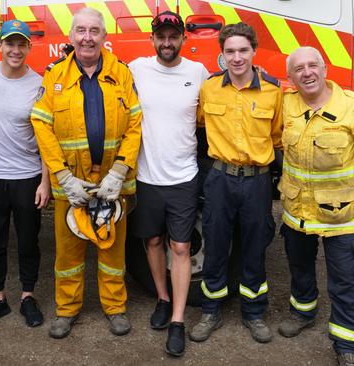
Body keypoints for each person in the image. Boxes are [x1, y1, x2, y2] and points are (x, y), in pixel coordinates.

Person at [277, 47, 354, 366]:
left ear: (325, 69)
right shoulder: (286, 103)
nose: (307, 72)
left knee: (342, 279)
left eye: (312, 65)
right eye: (299, 68)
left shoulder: (352, 107)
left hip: (340, 215)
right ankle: (302, 312)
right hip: (297, 212)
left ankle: (347, 342)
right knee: (299, 266)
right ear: (290, 77)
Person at [30, 7, 142, 339]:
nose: (87, 37)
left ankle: (115, 307)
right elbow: (41, 125)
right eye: (81, 30)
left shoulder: (122, 74)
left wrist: (119, 171)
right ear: (70, 36)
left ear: (105, 37)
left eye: (94, 31)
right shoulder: (55, 77)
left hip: (111, 183)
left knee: (112, 250)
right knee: (68, 253)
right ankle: (66, 310)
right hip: (71, 184)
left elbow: (135, 125)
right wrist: (61, 176)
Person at [188, 22, 283, 344]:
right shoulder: (210, 88)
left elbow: (278, 136)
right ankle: (210, 312)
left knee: (255, 248)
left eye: (243, 50)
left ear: (254, 52)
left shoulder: (272, 90)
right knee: (215, 245)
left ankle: (254, 313)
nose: (237, 57)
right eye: (230, 51)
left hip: (256, 182)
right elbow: (200, 125)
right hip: (220, 179)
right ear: (222, 55)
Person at [128, 10, 209, 357]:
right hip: (147, 177)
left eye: (172, 37)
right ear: (152, 40)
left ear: (183, 40)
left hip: (183, 177)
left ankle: (177, 320)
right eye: (160, 36)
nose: (166, 42)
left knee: (180, 247)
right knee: (153, 241)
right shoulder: (136, 69)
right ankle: (162, 298)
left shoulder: (198, 73)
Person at [0, 20, 50, 330]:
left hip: (28, 177)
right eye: (10, 44)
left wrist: (45, 181)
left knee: (29, 241)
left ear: (30, 47)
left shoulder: (38, 84)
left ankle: (28, 296)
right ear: (0, 46)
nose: (15, 50)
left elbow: (45, 136)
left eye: (21, 44)